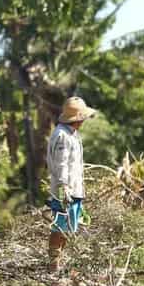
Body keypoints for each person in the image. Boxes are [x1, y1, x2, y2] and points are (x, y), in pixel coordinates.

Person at [47, 96, 96, 272]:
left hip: (74, 190)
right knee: (60, 226)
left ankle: (59, 263)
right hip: (64, 190)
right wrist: (64, 190)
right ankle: (53, 265)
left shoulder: (72, 134)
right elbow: (61, 165)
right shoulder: (62, 135)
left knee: (69, 228)